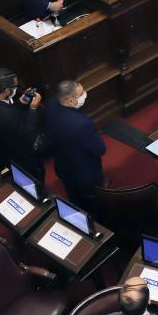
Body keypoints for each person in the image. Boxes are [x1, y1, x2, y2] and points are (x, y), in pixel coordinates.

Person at [47, 80, 106, 215]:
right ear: (70, 102)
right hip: (83, 173)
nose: (85, 94)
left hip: (62, 165)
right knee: (92, 204)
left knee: (73, 196)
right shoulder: (81, 124)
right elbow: (100, 149)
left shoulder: (50, 104)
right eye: (81, 94)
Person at [0, 68, 45, 185]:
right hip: (22, 154)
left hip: (6, 149)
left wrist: (20, 103)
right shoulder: (4, 114)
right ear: (6, 91)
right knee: (35, 178)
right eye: (14, 87)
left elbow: (10, 113)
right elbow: (26, 131)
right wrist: (32, 109)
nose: (16, 89)